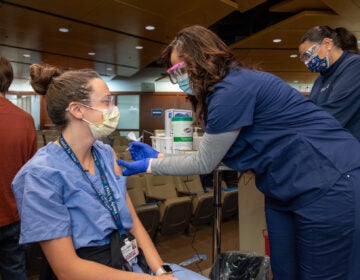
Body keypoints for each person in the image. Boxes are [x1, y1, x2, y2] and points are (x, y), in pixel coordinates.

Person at [117, 25, 360, 280]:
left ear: (203, 58)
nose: (179, 78)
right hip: (285, 186)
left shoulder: (233, 89)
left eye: (181, 69)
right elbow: (219, 150)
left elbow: (205, 161)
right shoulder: (222, 92)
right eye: (173, 72)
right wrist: (160, 156)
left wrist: (150, 165)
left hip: (327, 180)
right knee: (285, 271)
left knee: (323, 273)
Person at [11, 64, 208, 280]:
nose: (113, 110)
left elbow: (133, 223)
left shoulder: (106, 153)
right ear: (77, 110)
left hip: (129, 261)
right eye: (106, 101)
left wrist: (161, 271)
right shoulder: (41, 174)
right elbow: (67, 269)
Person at [0, 56, 37, 279]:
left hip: (13, 215)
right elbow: (30, 171)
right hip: (14, 215)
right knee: (15, 272)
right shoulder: (25, 119)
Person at [299, 25, 360, 140]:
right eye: (303, 59)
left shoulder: (355, 66)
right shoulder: (321, 78)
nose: (307, 62)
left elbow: (335, 114)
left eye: (307, 55)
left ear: (327, 43)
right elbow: (312, 110)